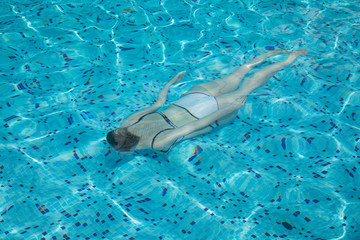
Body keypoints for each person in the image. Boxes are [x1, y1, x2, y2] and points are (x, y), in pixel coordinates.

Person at [106, 49, 307, 152]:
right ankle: (274, 53)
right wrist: (171, 82)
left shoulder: (154, 144)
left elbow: (195, 126)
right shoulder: (126, 124)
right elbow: (159, 104)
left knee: (248, 87)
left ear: (126, 149)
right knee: (239, 72)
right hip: (188, 100)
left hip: (205, 112)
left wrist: (232, 106)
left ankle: (288, 61)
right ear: (118, 132)